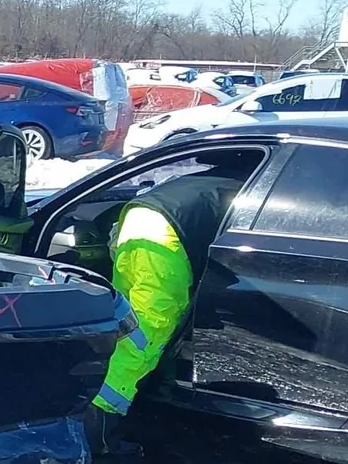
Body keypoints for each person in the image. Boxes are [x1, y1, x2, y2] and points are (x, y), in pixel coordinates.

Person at [90, 171, 246, 440]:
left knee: (125, 317)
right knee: (147, 328)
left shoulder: (227, 183)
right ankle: (99, 415)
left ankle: (96, 392)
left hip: (142, 217)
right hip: (162, 237)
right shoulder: (274, 189)